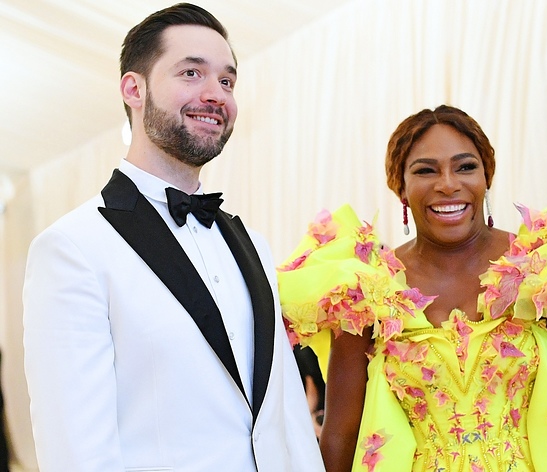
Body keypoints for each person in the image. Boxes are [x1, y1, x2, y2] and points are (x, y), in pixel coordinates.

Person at [277, 105, 547, 471]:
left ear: (486, 177)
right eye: (425, 170)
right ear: (400, 187)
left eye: (465, 167)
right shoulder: (369, 287)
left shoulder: (543, 268)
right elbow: (341, 434)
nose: (448, 184)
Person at [22, 4, 323, 471]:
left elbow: (286, 419)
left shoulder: (252, 244)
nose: (215, 94)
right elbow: (77, 453)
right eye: (191, 73)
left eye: (226, 81)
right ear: (133, 88)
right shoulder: (73, 248)